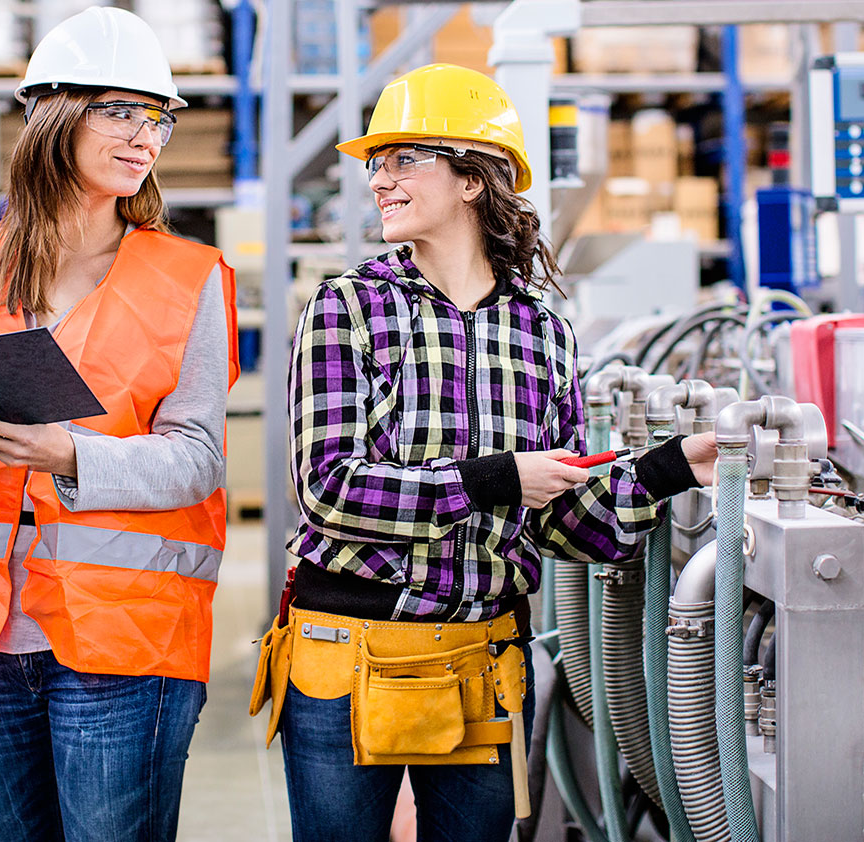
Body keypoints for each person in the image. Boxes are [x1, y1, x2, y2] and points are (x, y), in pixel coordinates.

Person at [251, 64, 717, 842]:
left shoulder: (542, 329)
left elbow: (569, 525)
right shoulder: (348, 308)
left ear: (473, 179)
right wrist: (497, 478)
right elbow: (330, 489)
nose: (380, 180)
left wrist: (676, 467)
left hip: (484, 654)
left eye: (405, 159)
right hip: (347, 650)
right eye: (376, 162)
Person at [0, 8, 237, 841]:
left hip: (124, 637)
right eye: (120, 110)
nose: (145, 135)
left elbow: (198, 461)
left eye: (157, 116)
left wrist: (68, 454)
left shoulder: (190, 278)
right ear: (50, 117)